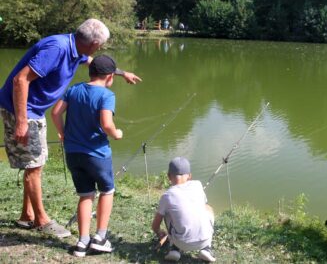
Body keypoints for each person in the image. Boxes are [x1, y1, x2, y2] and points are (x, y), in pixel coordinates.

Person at [0, 18, 141, 238]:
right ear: (94, 42)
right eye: (101, 44)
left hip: (35, 111)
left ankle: (27, 214)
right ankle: (42, 220)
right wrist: (21, 121)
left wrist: (122, 74)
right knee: (34, 166)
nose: (100, 48)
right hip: (22, 110)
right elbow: (20, 80)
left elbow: (95, 64)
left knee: (35, 163)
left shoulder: (77, 48)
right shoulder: (57, 49)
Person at [51, 55, 122, 257]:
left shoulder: (74, 89)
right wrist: (117, 133)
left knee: (85, 194)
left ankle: (82, 242)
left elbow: (55, 113)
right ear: (110, 77)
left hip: (73, 153)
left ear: (90, 73)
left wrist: (63, 133)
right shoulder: (107, 95)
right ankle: (100, 237)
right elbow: (107, 124)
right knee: (107, 190)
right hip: (97, 154)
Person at [152, 157, 216, 262]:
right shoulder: (198, 184)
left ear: (168, 176)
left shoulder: (167, 195)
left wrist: (159, 232)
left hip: (181, 242)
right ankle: (206, 249)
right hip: (204, 239)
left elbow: (155, 226)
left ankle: (174, 248)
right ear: (190, 176)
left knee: (167, 213)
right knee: (208, 208)